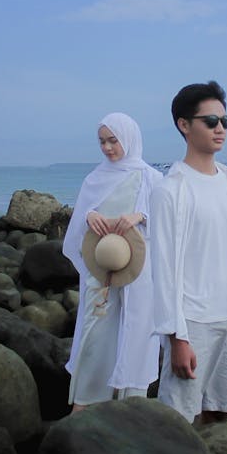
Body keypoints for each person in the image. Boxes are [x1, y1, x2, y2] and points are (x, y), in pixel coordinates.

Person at [150, 80, 227, 424]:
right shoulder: (172, 190)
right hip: (194, 322)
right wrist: (176, 338)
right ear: (184, 125)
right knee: (180, 418)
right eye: (211, 122)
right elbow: (164, 270)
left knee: (223, 410)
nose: (220, 129)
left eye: (225, 121)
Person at [62, 112, 163, 411]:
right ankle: (86, 400)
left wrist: (141, 215)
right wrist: (88, 214)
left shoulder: (151, 178)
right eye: (102, 142)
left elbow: (170, 223)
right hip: (101, 268)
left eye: (113, 141)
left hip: (138, 270)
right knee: (97, 331)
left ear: (129, 140)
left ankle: (131, 404)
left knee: (137, 330)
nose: (107, 148)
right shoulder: (94, 178)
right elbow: (79, 225)